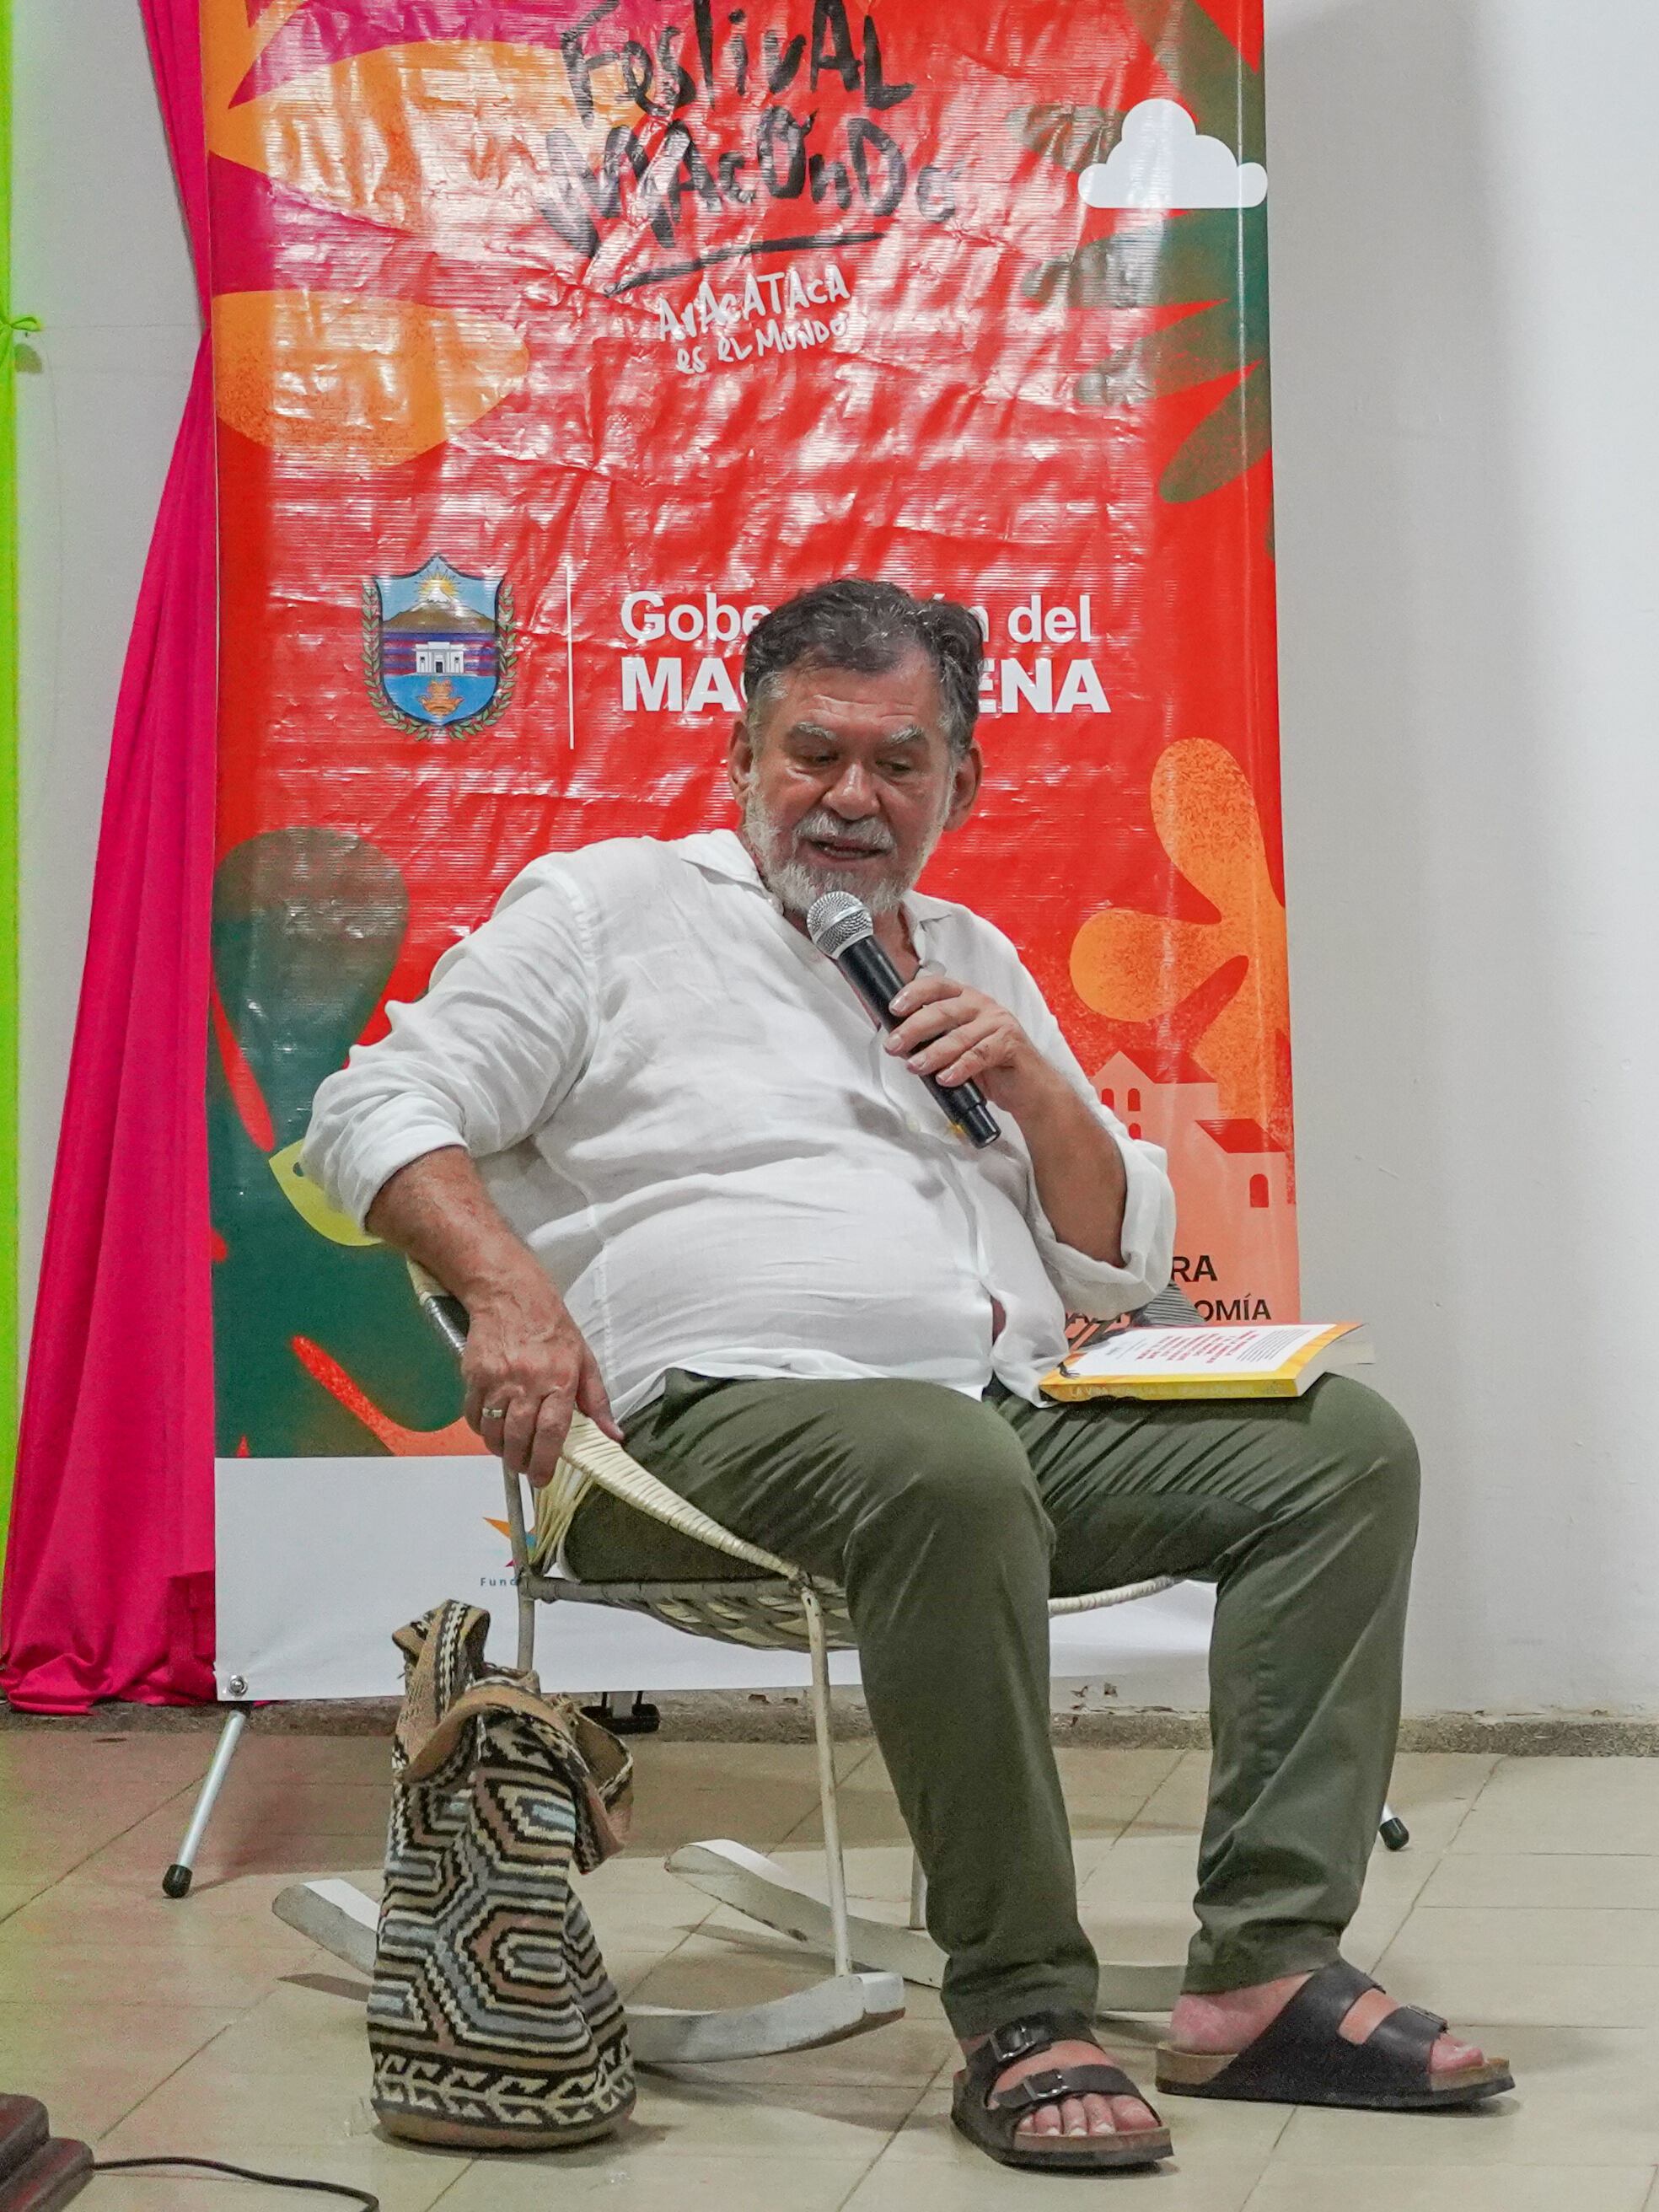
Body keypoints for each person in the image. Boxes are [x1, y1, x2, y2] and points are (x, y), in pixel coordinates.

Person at [305, 578, 1511, 2176]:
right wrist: (510, 1293)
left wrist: (1030, 1082)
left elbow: (1114, 1261)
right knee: (945, 1469)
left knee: (1344, 1447)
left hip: (994, 1427)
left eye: (899, 764)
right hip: (696, 1442)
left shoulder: (964, 955)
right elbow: (372, 1110)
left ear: (965, 783)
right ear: (742, 750)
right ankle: (1021, 2006)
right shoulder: (608, 910)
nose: (851, 798)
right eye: (814, 754)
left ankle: (1264, 1970)